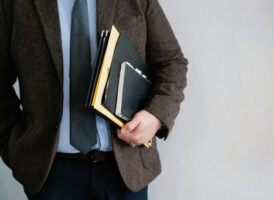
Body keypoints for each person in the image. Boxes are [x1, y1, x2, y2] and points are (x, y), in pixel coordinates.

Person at [0, 0, 188, 199]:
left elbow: (172, 63)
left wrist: (156, 115)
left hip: (125, 171)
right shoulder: (15, 4)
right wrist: (14, 148)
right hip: (50, 175)